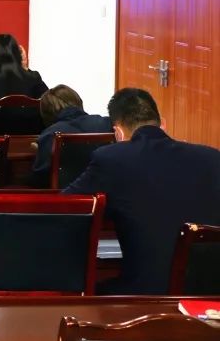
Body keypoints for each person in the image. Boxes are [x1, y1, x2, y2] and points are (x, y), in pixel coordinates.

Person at [64, 88, 220, 295]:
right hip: (211, 296)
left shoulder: (111, 158)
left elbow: (67, 206)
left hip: (147, 295)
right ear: (162, 124)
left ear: (118, 133)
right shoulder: (212, 158)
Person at [29, 85, 112, 188]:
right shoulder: (107, 123)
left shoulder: (50, 135)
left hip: (68, 195)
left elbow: (39, 180)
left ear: (46, 113)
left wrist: (40, 150)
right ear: (78, 102)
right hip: (108, 193)